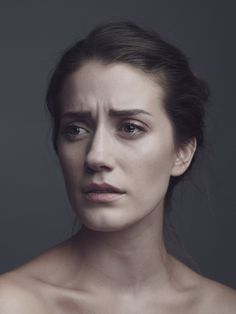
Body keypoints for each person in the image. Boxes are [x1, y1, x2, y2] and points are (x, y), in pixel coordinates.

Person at [0, 21, 236, 313]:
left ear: (181, 153)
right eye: (75, 130)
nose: (96, 156)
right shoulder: (12, 303)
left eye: (130, 127)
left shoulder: (223, 307)